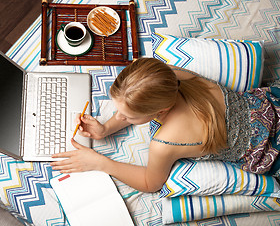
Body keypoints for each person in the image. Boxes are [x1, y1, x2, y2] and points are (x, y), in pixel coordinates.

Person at [50, 58, 280, 192]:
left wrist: (101, 162)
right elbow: (134, 97)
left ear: (160, 112)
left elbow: (151, 183)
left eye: (128, 117)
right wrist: (106, 129)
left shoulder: (164, 142)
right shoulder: (169, 77)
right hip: (272, 104)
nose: (119, 117)